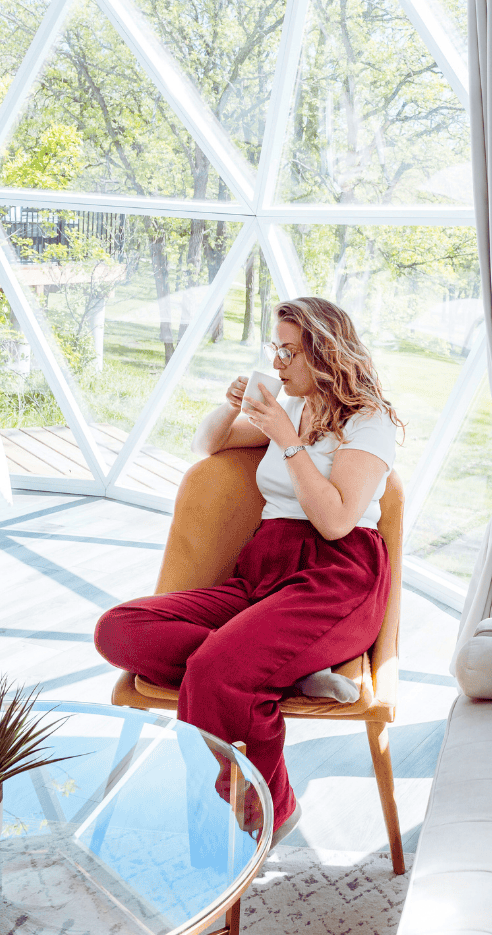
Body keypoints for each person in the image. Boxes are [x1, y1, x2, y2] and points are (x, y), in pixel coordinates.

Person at [94, 297, 402, 846]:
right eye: (274, 349)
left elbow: (334, 521)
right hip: (264, 570)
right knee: (119, 630)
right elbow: (208, 444)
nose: (278, 363)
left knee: (216, 669)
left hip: (337, 579)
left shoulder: (367, 421)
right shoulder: (297, 408)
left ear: (325, 354)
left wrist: (286, 438)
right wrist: (231, 403)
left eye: (289, 351)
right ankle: (274, 667)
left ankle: (270, 809)